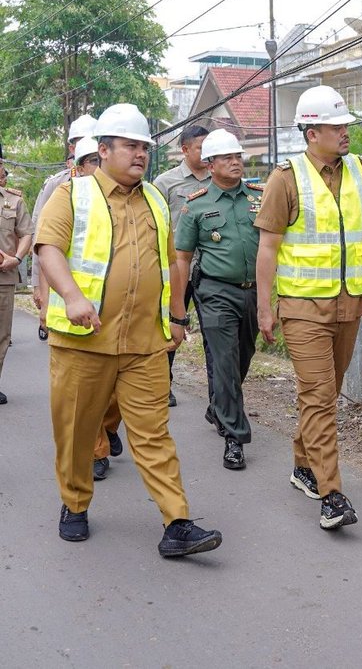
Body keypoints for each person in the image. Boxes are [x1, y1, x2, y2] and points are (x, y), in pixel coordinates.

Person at [35, 103, 222, 558]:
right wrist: (72, 296)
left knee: (154, 433)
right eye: (131, 146)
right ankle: (74, 504)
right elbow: (48, 248)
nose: (140, 154)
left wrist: (177, 316)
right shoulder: (72, 195)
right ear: (103, 150)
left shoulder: (156, 198)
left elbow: (172, 262)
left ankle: (176, 521)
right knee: (78, 431)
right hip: (84, 343)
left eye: (145, 147)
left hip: (144, 344)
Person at [254, 86, 362, 530]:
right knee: (320, 397)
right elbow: (267, 248)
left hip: (350, 304)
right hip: (303, 308)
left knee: (325, 393)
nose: (346, 132)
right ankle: (332, 495)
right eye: (336, 126)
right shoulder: (285, 179)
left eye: (345, 124)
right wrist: (265, 308)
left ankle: (303, 465)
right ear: (311, 132)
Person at [175, 128, 263, 470]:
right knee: (224, 361)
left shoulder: (260, 195)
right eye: (227, 158)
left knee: (243, 356)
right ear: (210, 165)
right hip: (215, 292)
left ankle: (219, 406)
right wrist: (178, 308)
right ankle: (234, 437)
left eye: (238, 156)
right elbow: (182, 258)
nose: (235, 162)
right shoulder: (196, 204)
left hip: (253, 290)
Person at [72, 136, 123, 482]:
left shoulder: (137, 198)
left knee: (117, 393)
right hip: (83, 317)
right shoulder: (67, 196)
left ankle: (108, 427)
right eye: (88, 160)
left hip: (126, 316)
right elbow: (48, 251)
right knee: (90, 393)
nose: (95, 166)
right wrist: (44, 297)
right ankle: (97, 448)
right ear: (79, 166)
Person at [153, 125, 214, 414]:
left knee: (215, 336)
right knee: (171, 326)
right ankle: (163, 382)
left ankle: (219, 399)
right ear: (185, 149)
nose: (205, 152)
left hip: (212, 269)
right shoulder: (166, 183)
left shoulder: (219, 179)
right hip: (178, 269)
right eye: (200, 147)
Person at [32, 113, 98, 341]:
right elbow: (41, 241)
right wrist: (39, 290)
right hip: (62, 286)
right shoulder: (56, 185)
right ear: (72, 148)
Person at [0, 172, 34, 404]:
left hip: (4, 276)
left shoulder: (13, 201)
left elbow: (27, 233)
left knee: (1, 335)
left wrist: (18, 258)